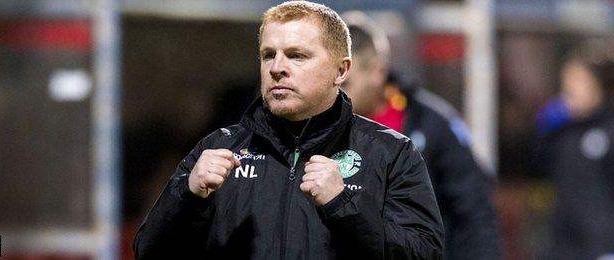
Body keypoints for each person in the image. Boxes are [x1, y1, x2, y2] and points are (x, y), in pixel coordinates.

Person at [133, 1, 444, 259]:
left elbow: (424, 255)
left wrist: (343, 207)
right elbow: (148, 251)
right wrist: (186, 196)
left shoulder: (390, 153)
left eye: (296, 55)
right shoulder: (217, 150)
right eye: (269, 54)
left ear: (341, 70)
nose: (276, 67)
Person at [341, 12, 501, 260]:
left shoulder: (432, 124)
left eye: (346, 84)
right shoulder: (319, 128)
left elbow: (474, 212)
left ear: (377, 70)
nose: (336, 93)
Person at [540, 40, 614, 260]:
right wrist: (542, 132)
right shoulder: (562, 130)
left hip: (601, 245)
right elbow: (535, 167)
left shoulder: (609, 129)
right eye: (567, 83)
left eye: (580, 82)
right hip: (562, 244)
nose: (571, 90)